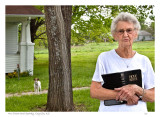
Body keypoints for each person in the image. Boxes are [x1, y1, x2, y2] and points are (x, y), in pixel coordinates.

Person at [90, 12, 155, 112]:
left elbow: (153, 96)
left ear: (135, 34)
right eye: (121, 31)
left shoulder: (144, 60)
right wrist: (126, 95)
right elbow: (94, 91)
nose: (125, 34)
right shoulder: (104, 58)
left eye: (129, 30)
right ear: (115, 35)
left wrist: (136, 89)